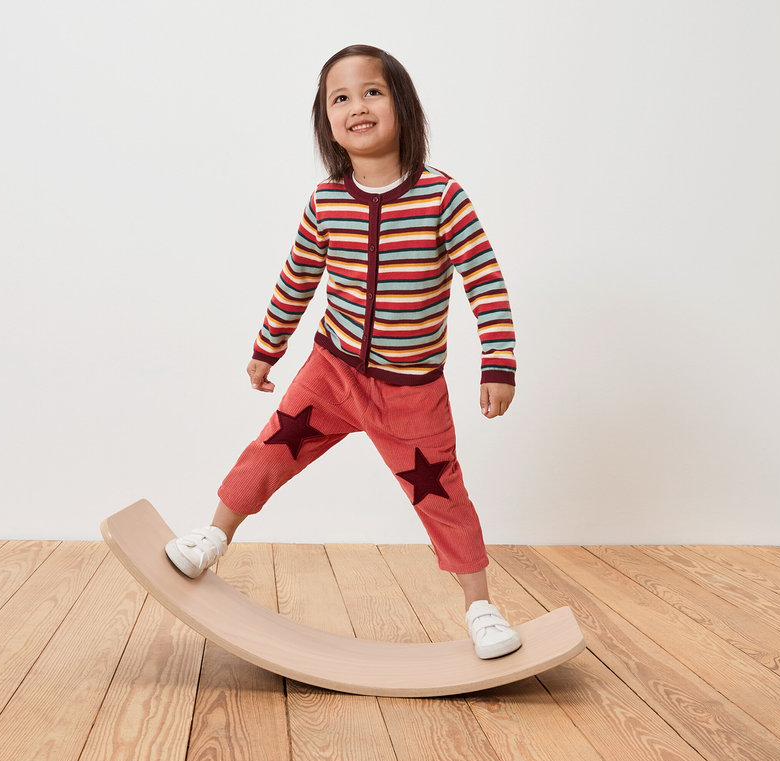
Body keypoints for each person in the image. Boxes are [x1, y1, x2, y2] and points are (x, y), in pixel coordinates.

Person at [166, 44, 521, 659]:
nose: (358, 106)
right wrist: (267, 348)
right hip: (332, 373)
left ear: (402, 105)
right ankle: (214, 537)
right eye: (341, 98)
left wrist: (498, 363)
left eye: (372, 92)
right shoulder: (326, 202)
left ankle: (480, 606)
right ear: (326, 122)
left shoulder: (442, 197)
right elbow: (297, 278)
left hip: (410, 391)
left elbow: (485, 284)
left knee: (441, 493)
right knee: (271, 449)